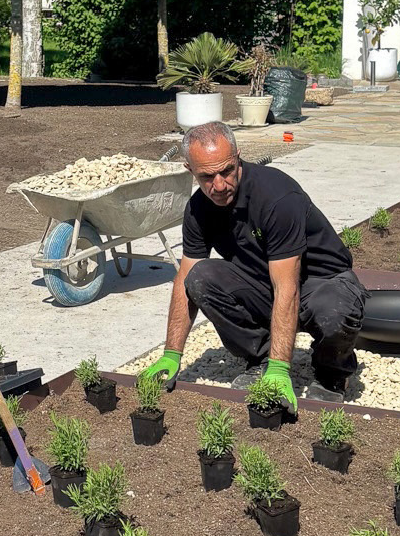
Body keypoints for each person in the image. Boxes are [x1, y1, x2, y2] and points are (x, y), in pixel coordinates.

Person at [139, 121, 368, 408]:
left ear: (238, 158)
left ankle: (332, 371)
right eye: (207, 176)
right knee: (200, 278)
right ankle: (260, 357)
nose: (219, 185)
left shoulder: (276, 197)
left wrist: (281, 369)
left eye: (226, 171)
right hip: (264, 281)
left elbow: (288, 287)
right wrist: (172, 354)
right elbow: (185, 279)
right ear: (190, 171)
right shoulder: (199, 209)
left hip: (322, 282)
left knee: (336, 311)